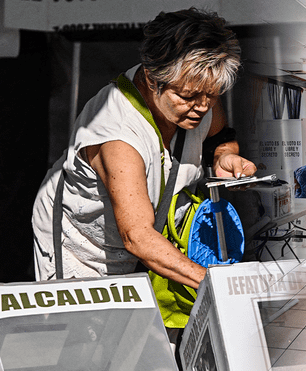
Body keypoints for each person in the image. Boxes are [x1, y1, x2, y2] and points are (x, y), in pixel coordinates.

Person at [32, 7, 256, 347]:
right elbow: (137, 235)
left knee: (132, 339)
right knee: (86, 341)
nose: (201, 106)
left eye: (210, 96)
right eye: (188, 97)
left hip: (144, 235)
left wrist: (224, 155)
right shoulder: (118, 134)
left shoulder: (198, 94)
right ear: (152, 78)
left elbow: (218, 135)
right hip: (83, 244)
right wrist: (217, 283)